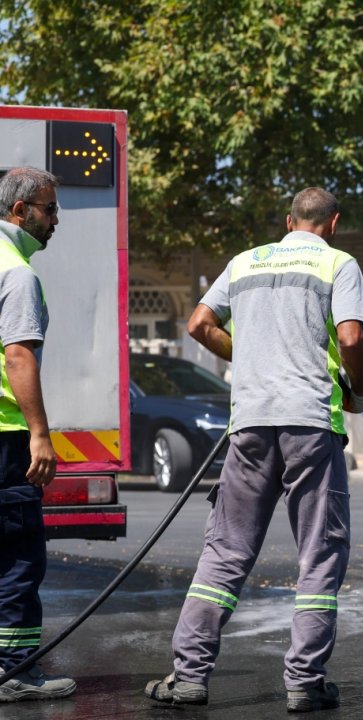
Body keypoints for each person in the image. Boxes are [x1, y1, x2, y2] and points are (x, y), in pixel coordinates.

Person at [145, 188, 363, 712]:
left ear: (287, 221)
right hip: (310, 425)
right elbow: (354, 339)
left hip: (248, 425)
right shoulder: (339, 264)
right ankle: (304, 682)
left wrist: (246, 355)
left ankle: (189, 677)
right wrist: (357, 393)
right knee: (318, 556)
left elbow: (199, 324)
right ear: (333, 223)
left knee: (226, 552)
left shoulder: (245, 262)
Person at [0, 167, 75, 702]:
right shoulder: (17, 274)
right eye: (49, 211)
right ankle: (15, 671)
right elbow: (19, 354)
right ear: (20, 212)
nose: (56, 221)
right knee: (19, 553)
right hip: (4, 439)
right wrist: (39, 434)